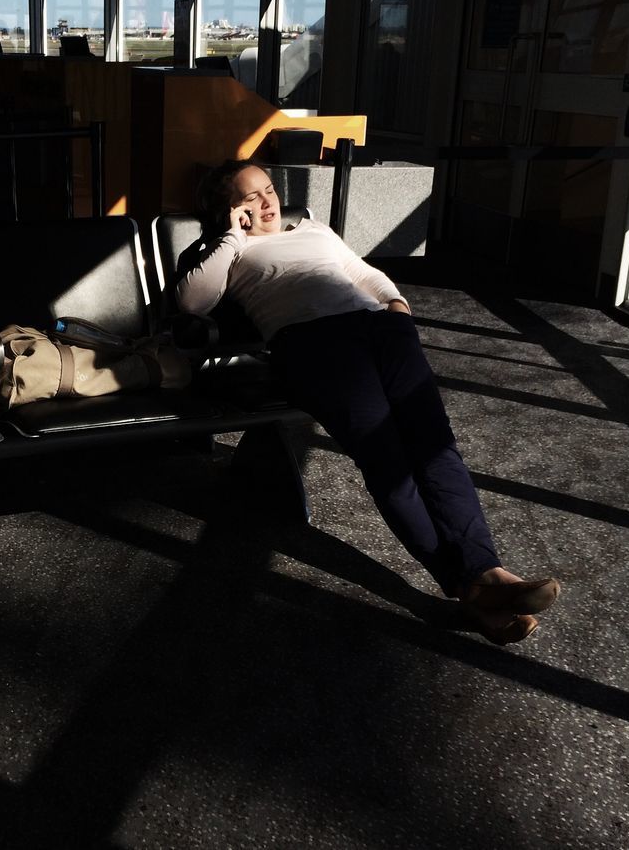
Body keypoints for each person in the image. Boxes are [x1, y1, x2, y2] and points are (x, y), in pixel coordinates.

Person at [177, 160, 562, 645]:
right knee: (390, 463)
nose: (268, 202)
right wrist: (234, 237)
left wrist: (396, 305)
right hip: (314, 346)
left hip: (382, 332)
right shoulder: (224, 252)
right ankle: (481, 586)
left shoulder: (313, 227)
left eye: (269, 190)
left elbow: (360, 271)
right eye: (250, 197)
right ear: (229, 209)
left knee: (436, 449)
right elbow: (194, 302)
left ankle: (486, 580)